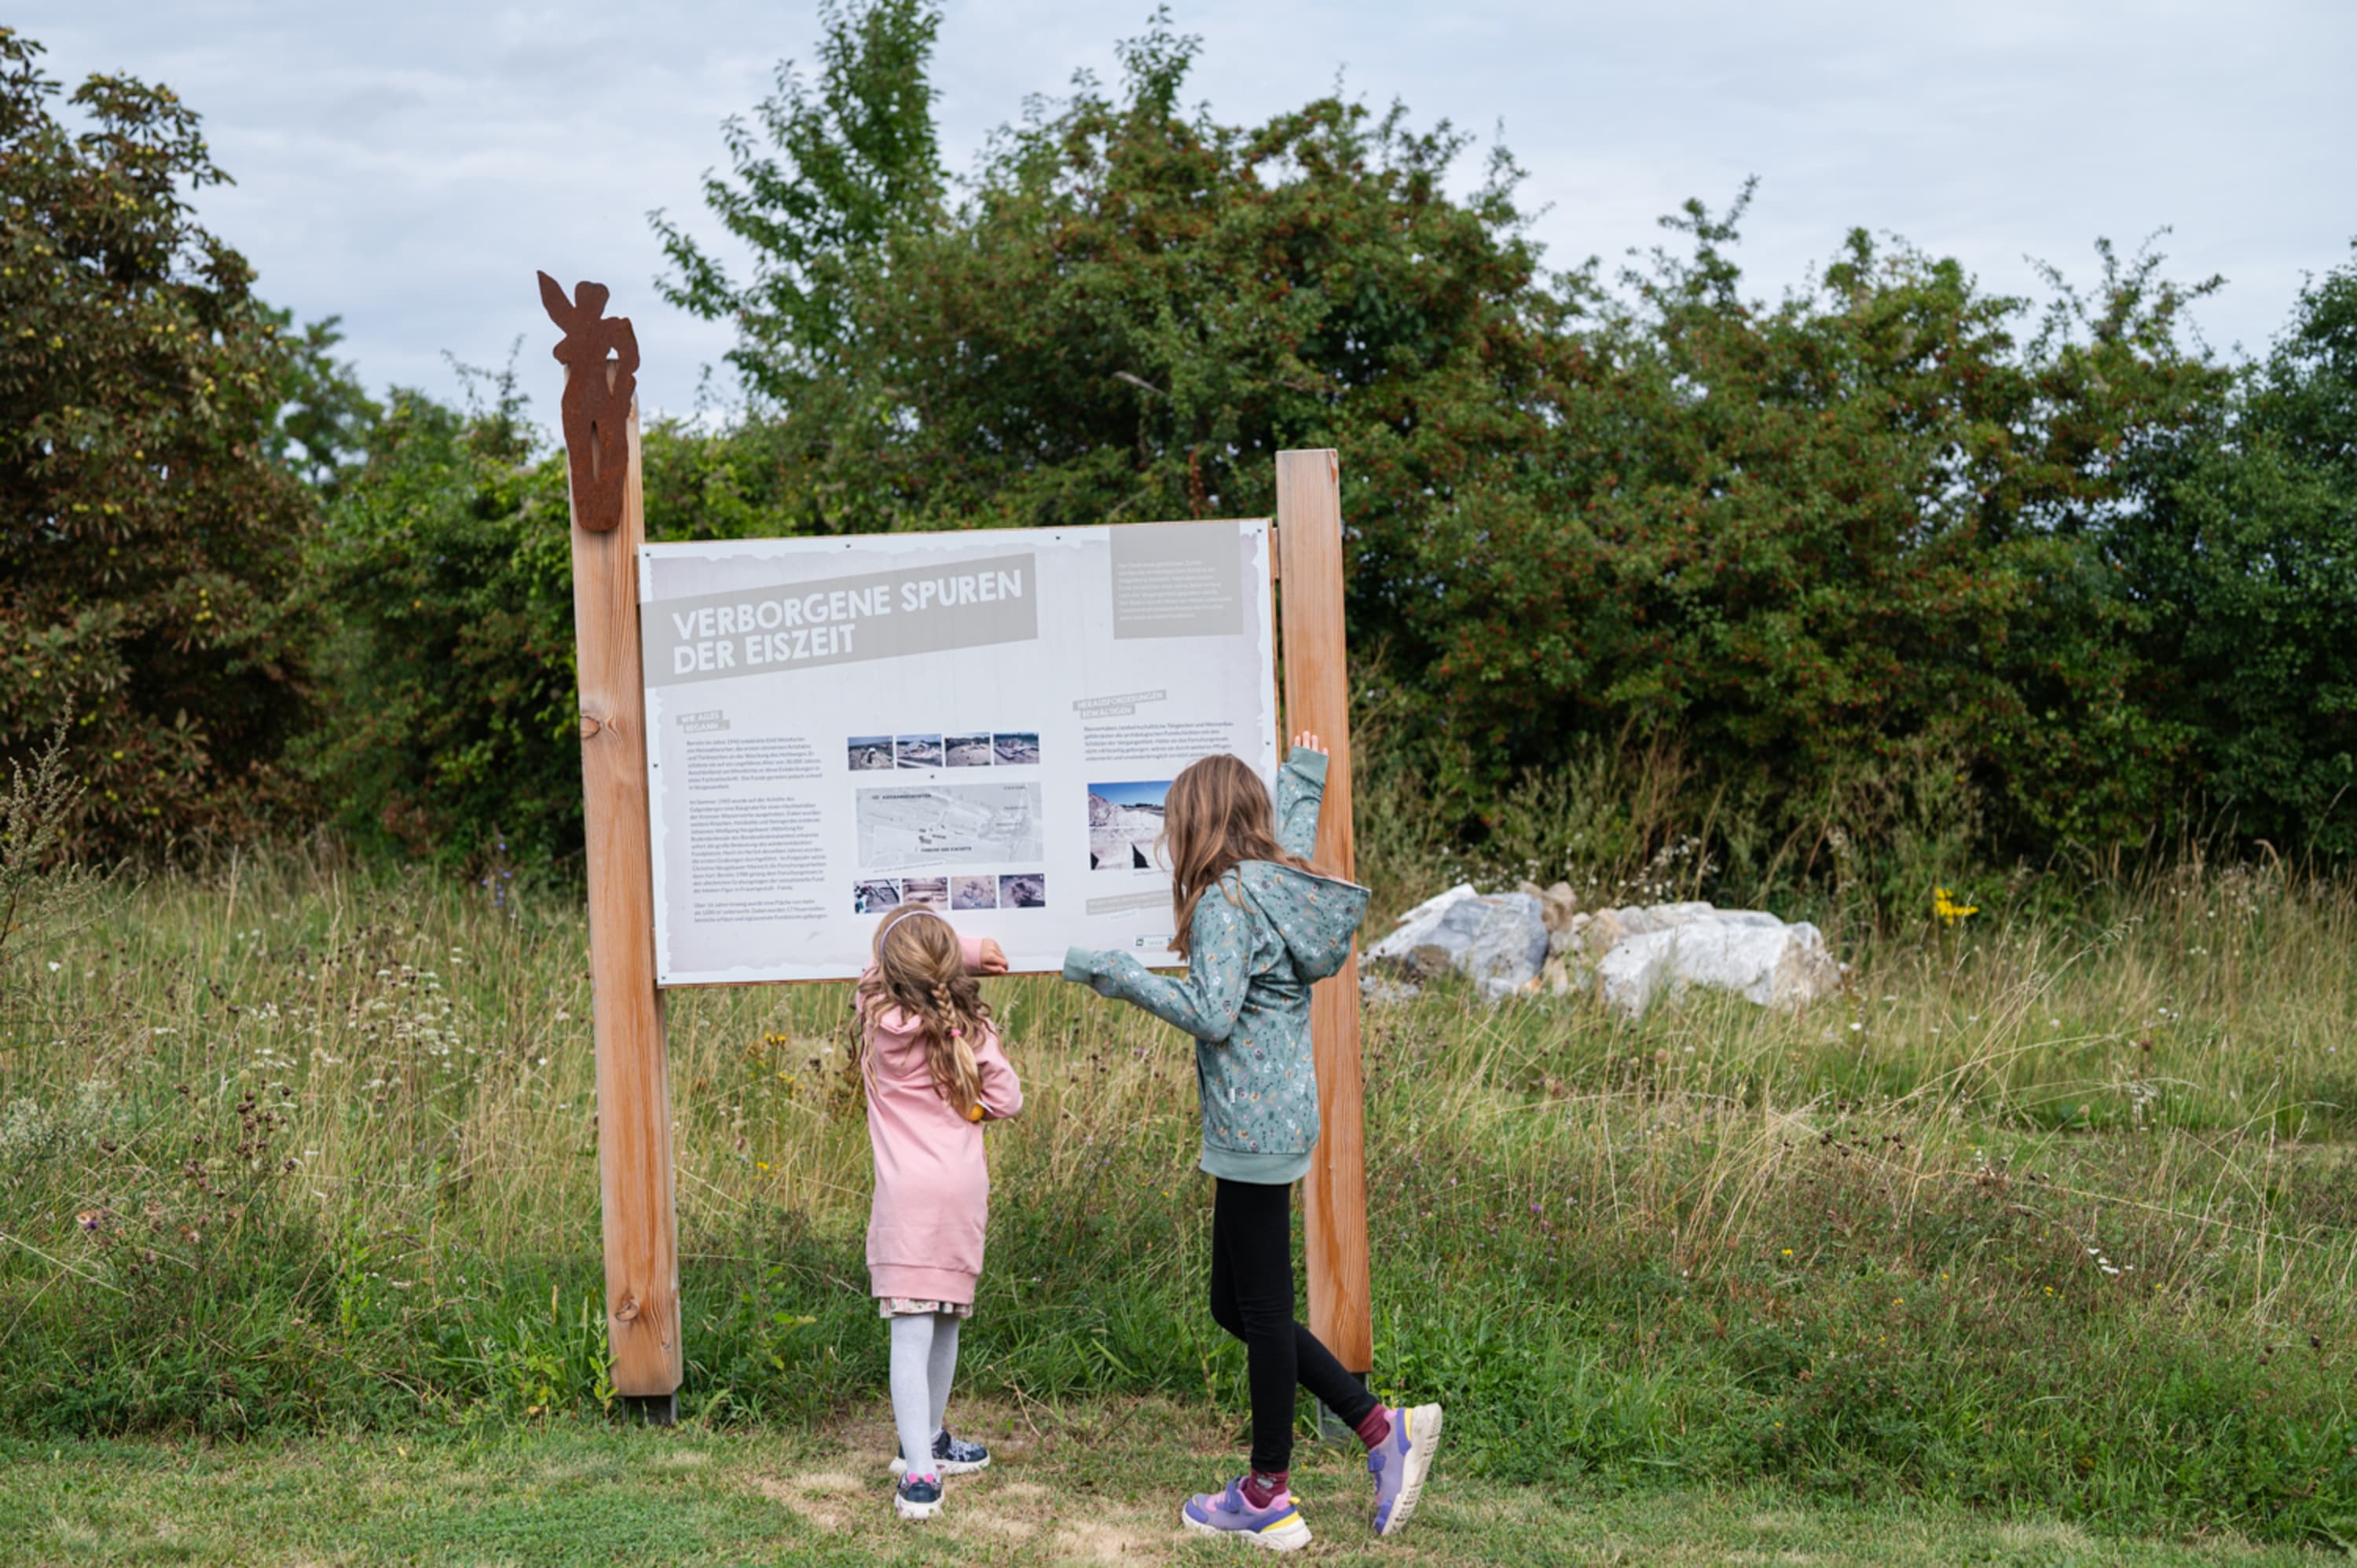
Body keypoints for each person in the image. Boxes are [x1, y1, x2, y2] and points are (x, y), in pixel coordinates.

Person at [1061, 734, 1443, 1552]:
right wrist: (1301, 778)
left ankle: (1270, 1490)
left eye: (1173, 823)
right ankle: (1380, 1428)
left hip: (1247, 1125)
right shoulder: (1276, 885)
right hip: (1277, 1121)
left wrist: (1114, 973)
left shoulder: (1227, 903)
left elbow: (1210, 1011)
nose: (1168, 838)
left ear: (1199, 824)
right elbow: (1293, 843)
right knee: (1231, 1304)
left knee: (1261, 1311)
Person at [854, 904, 1022, 1520]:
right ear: (947, 971)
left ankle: (919, 1468)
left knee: (909, 1327)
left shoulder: (875, 1016)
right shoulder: (970, 1032)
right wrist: (971, 1106)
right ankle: (928, 1439)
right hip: (960, 1197)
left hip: (904, 1204)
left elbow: (875, 965)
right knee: (946, 1317)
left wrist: (960, 949)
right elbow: (1008, 1099)